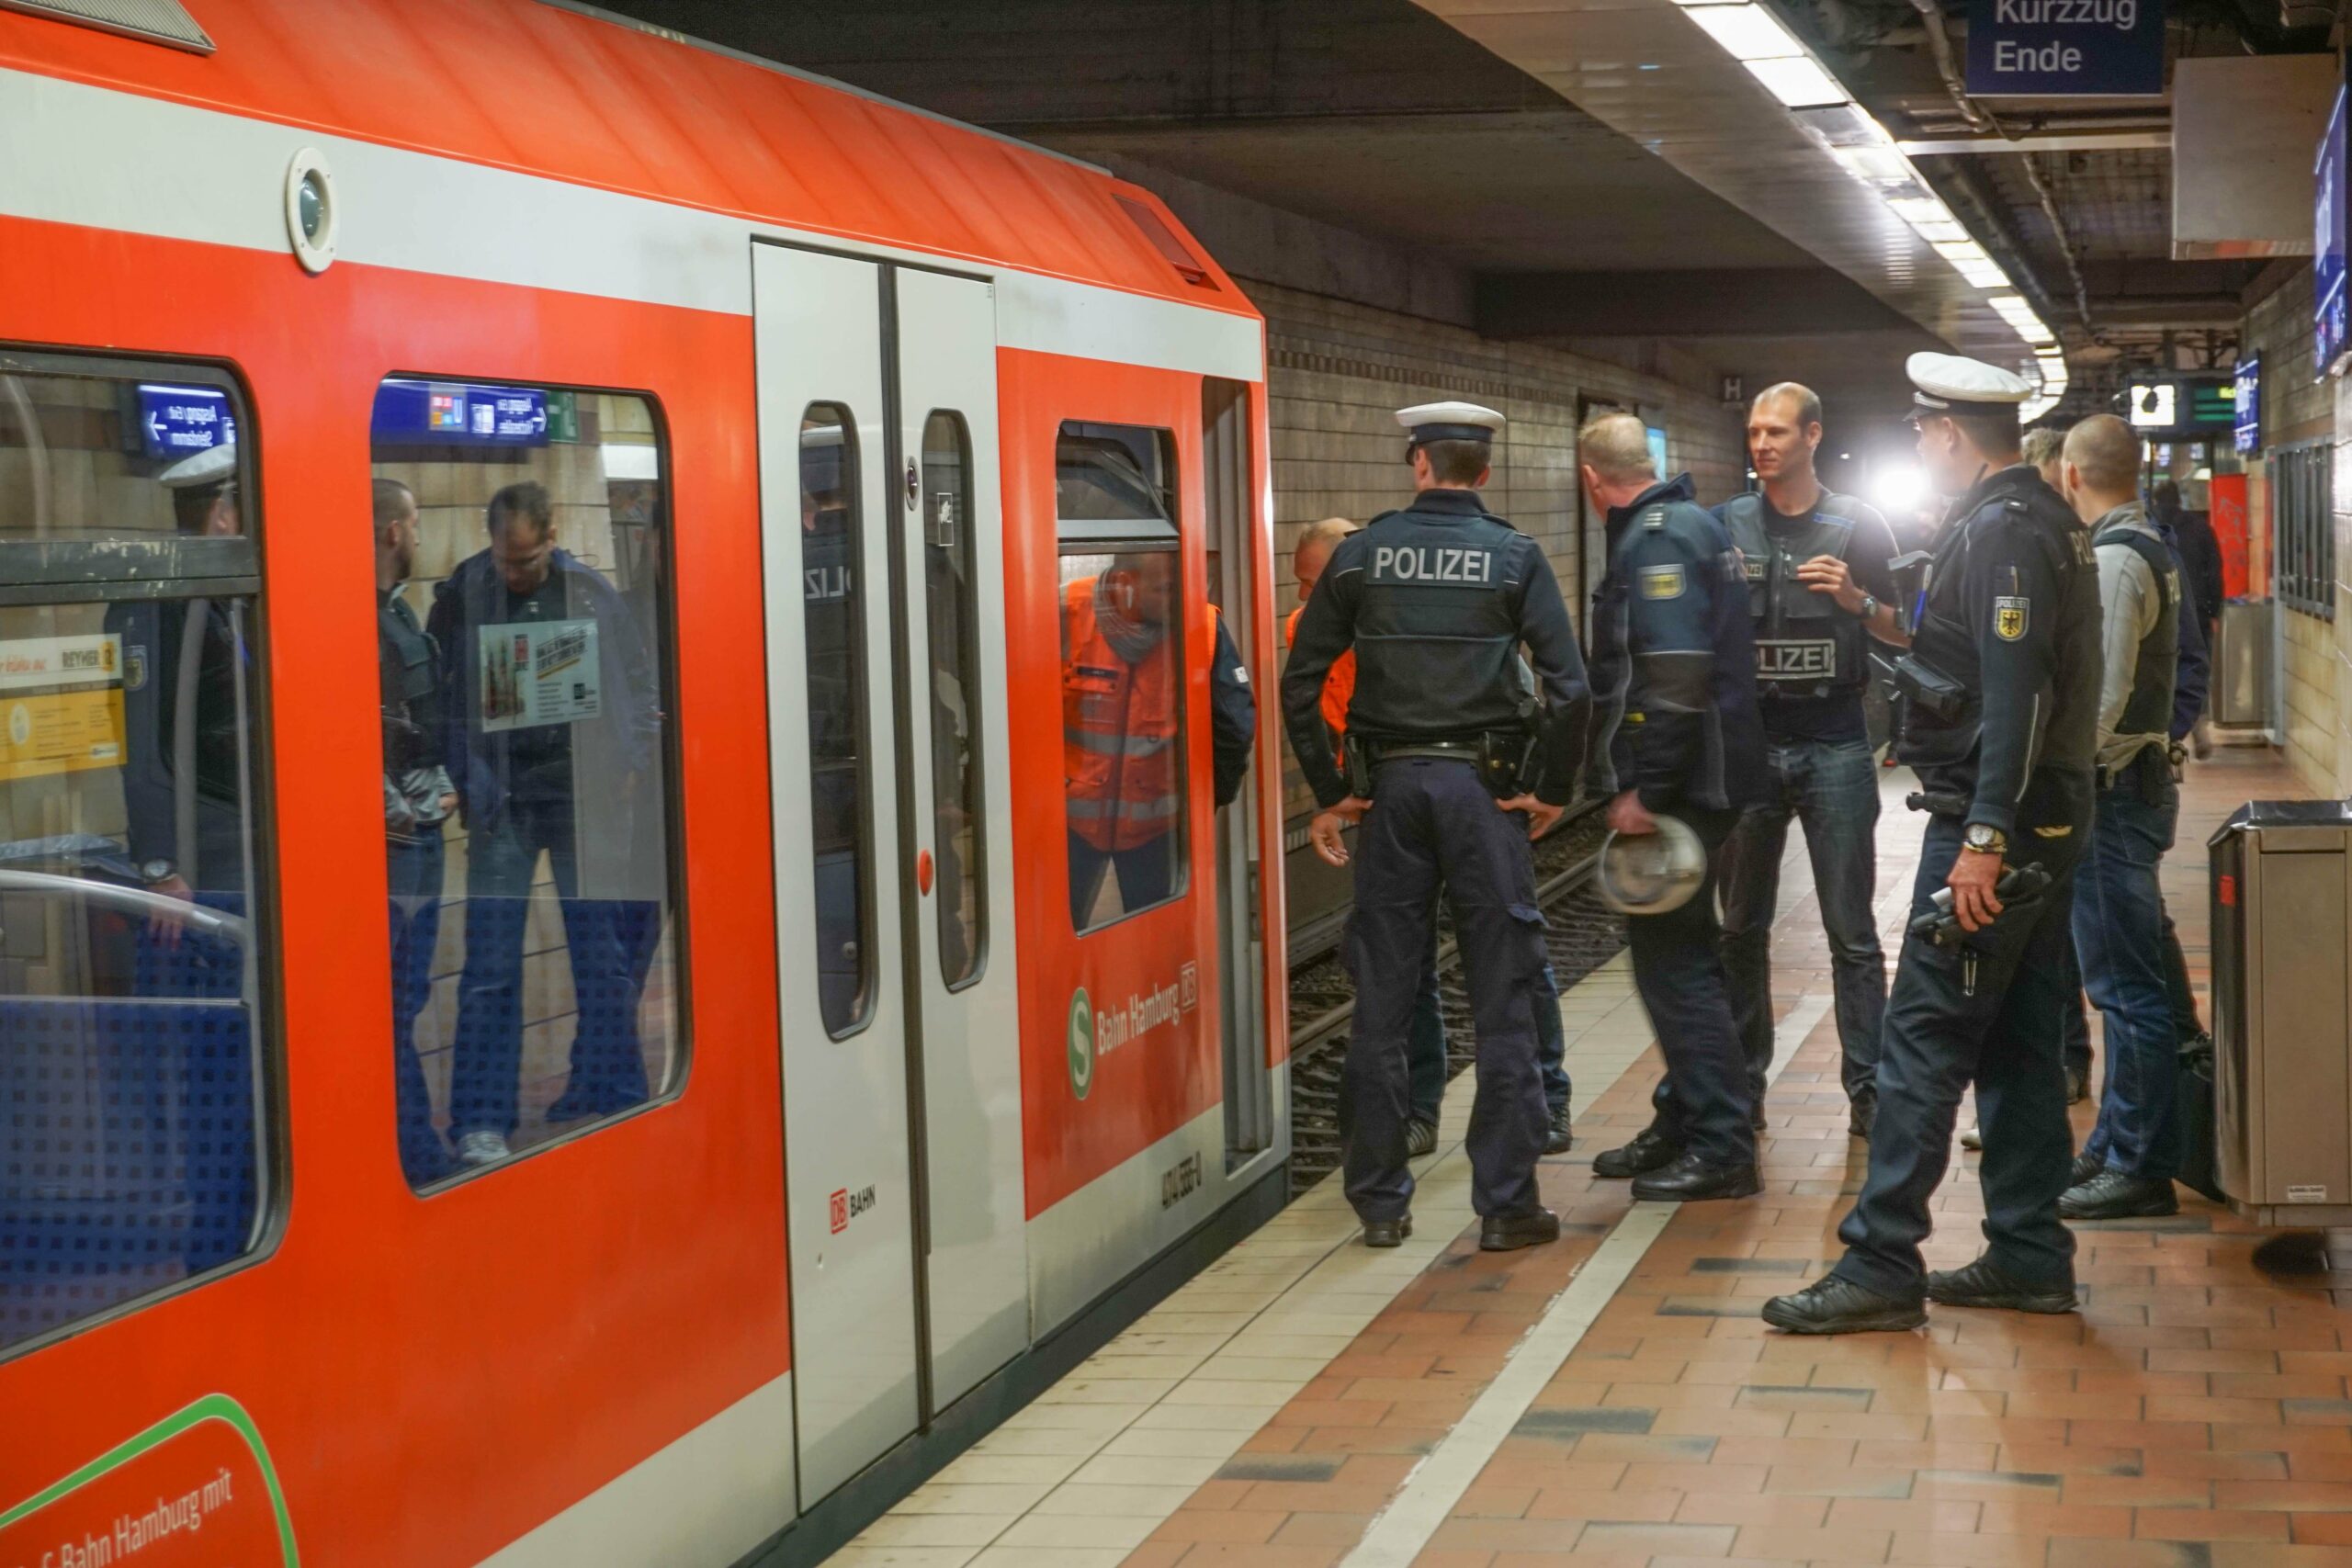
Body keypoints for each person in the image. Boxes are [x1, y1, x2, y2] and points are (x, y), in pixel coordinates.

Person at [1763, 353, 2100, 1335]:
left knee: (1919, 1038)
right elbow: (1964, 660)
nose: (1918, 443)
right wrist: (1870, 615)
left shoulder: (2002, 533)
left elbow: (2017, 695)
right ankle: (2030, 1254)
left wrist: (1984, 838)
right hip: (2038, 824)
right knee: (2020, 1045)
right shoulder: (2034, 520)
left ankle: (1879, 1262)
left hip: (1999, 829)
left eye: (1922, 431)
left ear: (1951, 433)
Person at [1283, 401, 1589, 1251]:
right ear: (1482, 472)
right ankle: (1506, 1204)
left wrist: (1334, 788)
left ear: (1417, 463)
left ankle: (1381, 1202)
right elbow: (1570, 686)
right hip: (1484, 794)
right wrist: (1549, 785)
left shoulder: (1359, 555)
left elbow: (1300, 683)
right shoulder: (1515, 557)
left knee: (1383, 994)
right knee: (1504, 996)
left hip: (1392, 794)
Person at [430, 480, 662, 1168]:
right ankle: (481, 1118)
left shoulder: (591, 592)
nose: (514, 572)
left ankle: (614, 1088)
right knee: (490, 965)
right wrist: (472, 784)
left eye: (527, 561)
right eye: (505, 558)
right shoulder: (460, 597)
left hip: (584, 798)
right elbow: (438, 706)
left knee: (604, 957)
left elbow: (641, 684)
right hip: (505, 801)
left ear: (551, 537)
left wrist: (630, 763)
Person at [1580, 412, 1769, 1201]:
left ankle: (1722, 1142)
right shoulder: (1696, 522)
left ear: (1592, 479)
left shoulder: (1655, 537)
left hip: (1687, 788)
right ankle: (1688, 1118)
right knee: (1679, 962)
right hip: (1705, 780)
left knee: (1677, 967)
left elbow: (1677, 676)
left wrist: (1645, 791)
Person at [1713, 383, 1906, 1143]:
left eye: (1777, 432)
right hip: (1750, 746)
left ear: (1813, 436)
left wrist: (1857, 600)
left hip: (1834, 741)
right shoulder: (1724, 524)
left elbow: (1913, 632)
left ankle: (1869, 1089)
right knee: (1740, 928)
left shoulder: (1860, 524)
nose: (1761, 444)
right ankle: (1741, 1088)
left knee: (1851, 931)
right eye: (1754, 432)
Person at [2059, 416, 2187, 1221]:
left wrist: (2056, 778)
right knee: (2133, 980)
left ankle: (2138, 1163)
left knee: (2126, 990)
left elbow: (2100, 701)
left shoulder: (2113, 559)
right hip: (2136, 787)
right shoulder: (2152, 548)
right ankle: (2112, 1143)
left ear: (2072, 474)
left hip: (2110, 793)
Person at [1063, 549, 1253, 928]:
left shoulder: (1202, 624)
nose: (1178, 601)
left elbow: (1234, 726)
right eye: (1165, 589)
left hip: (1155, 830)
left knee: (1157, 945)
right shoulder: (1065, 610)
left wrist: (1207, 802)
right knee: (1055, 938)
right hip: (1068, 824)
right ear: (1125, 585)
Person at [375, 478, 458, 1184]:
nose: (422, 532)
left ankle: (411, 1144)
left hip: (422, 829)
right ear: (395, 532)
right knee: (393, 1001)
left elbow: (412, 729)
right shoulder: (357, 618)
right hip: (393, 844)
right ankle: (411, 1151)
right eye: (417, 519)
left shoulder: (399, 615)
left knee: (410, 995)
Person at [2154, 478, 2224, 757]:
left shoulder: (2149, 530)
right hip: (2198, 614)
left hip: (2162, 614)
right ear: (2179, 499)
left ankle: (2167, 730)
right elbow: (2215, 572)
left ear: (2155, 500)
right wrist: (2214, 611)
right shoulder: (2200, 528)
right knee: (2195, 668)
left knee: (2164, 669)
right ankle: (2198, 724)